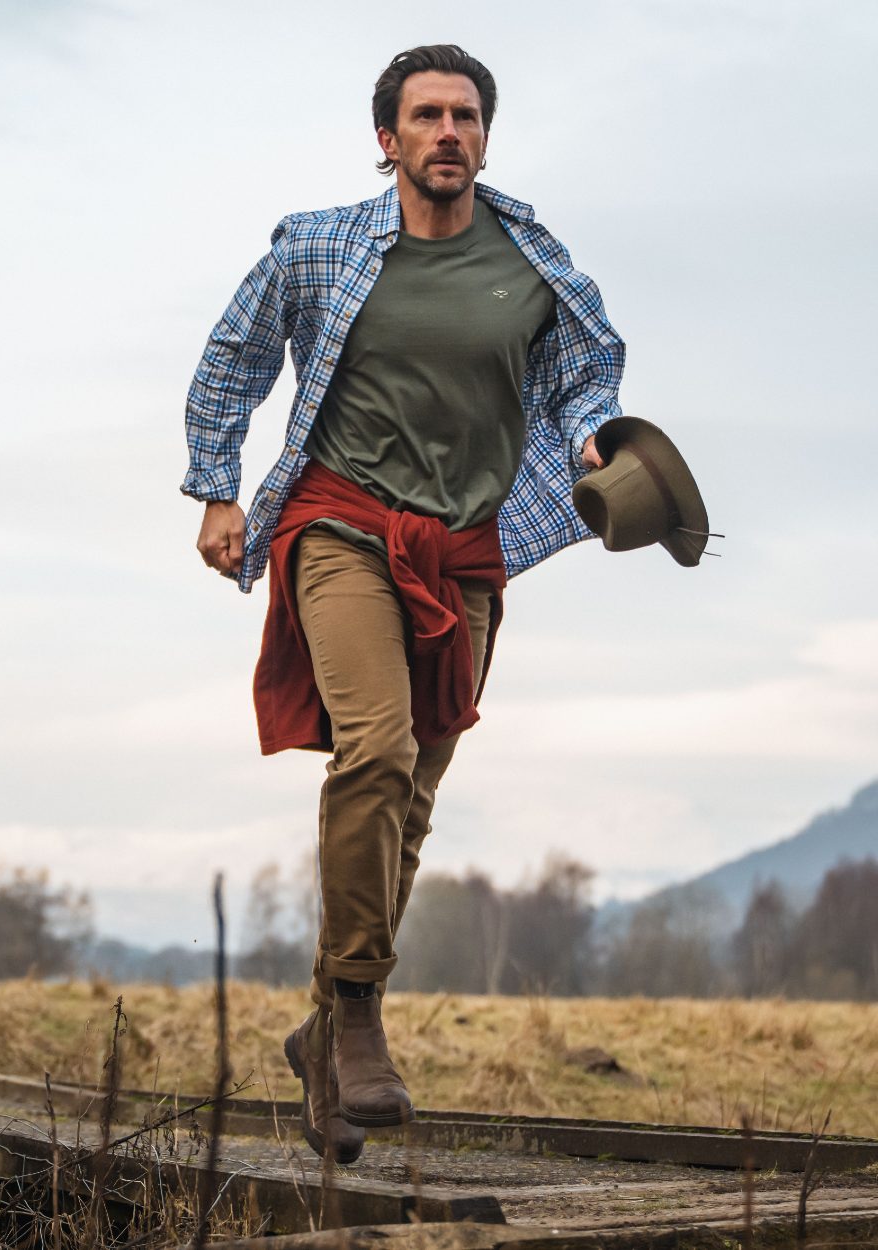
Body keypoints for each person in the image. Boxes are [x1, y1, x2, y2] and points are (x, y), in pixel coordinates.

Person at [182, 44, 625, 1163]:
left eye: (464, 116)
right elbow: (234, 355)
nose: (446, 133)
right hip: (338, 523)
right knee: (373, 749)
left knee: (415, 790)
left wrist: (594, 436)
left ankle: (321, 1033)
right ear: (386, 138)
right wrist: (217, 488)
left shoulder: (532, 260)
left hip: (465, 546)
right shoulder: (322, 245)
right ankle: (364, 1012)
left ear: (484, 135)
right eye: (424, 116)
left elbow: (588, 370)